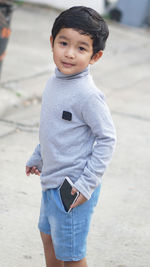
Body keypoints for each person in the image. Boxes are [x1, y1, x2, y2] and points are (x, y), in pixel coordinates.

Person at [26, 6, 116, 267]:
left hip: (73, 189)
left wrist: (86, 185)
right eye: (63, 43)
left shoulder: (88, 95)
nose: (68, 53)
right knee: (48, 237)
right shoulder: (55, 81)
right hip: (50, 181)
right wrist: (39, 155)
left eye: (81, 48)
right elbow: (53, 127)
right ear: (52, 42)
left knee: (72, 255)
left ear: (95, 56)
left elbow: (107, 139)